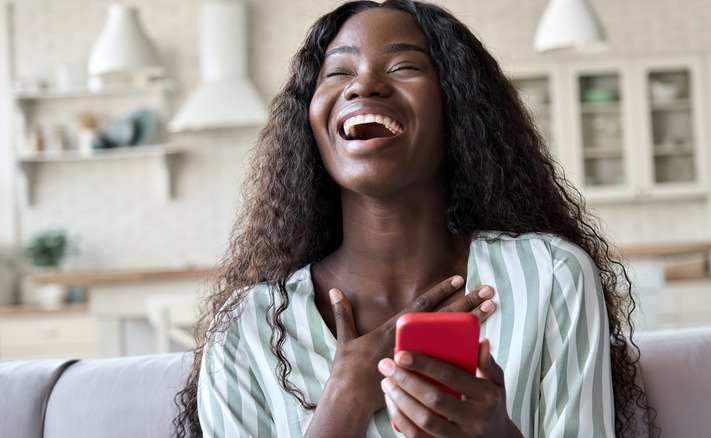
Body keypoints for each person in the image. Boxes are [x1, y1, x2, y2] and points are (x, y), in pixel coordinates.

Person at [174, 1, 653, 437]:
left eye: (404, 66)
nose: (363, 84)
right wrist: (344, 398)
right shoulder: (247, 329)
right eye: (338, 72)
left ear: (457, 110)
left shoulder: (551, 277)